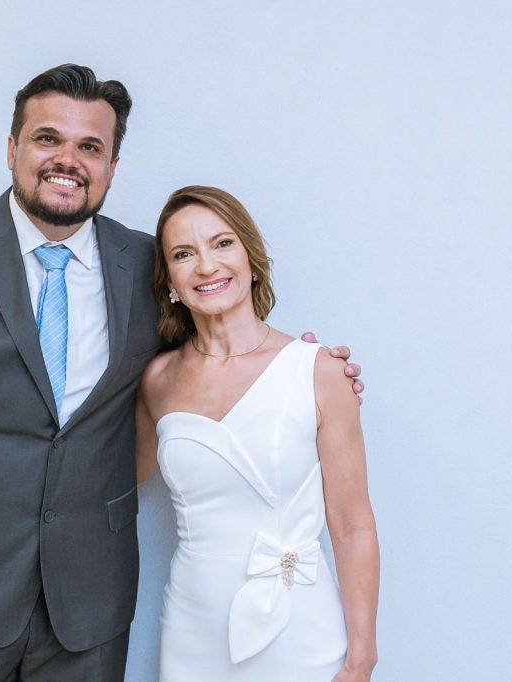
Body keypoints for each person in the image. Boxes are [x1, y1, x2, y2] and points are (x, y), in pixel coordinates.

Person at [0, 65, 364, 682]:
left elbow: (217, 349)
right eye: (48, 139)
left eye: (90, 146)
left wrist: (306, 372)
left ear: (112, 166)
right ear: (12, 148)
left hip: (91, 612)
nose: (68, 160)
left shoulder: (148, 266)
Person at [135, 186, 380, 681]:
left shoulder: (318, 371)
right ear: (170, 282)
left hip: (298, 623)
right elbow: (109, 485)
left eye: (222, 243)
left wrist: (362, 655)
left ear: (250, 258)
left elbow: (352, 524)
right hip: (192, 627)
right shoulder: (157, 379)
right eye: (184, 254)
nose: (206, 265)